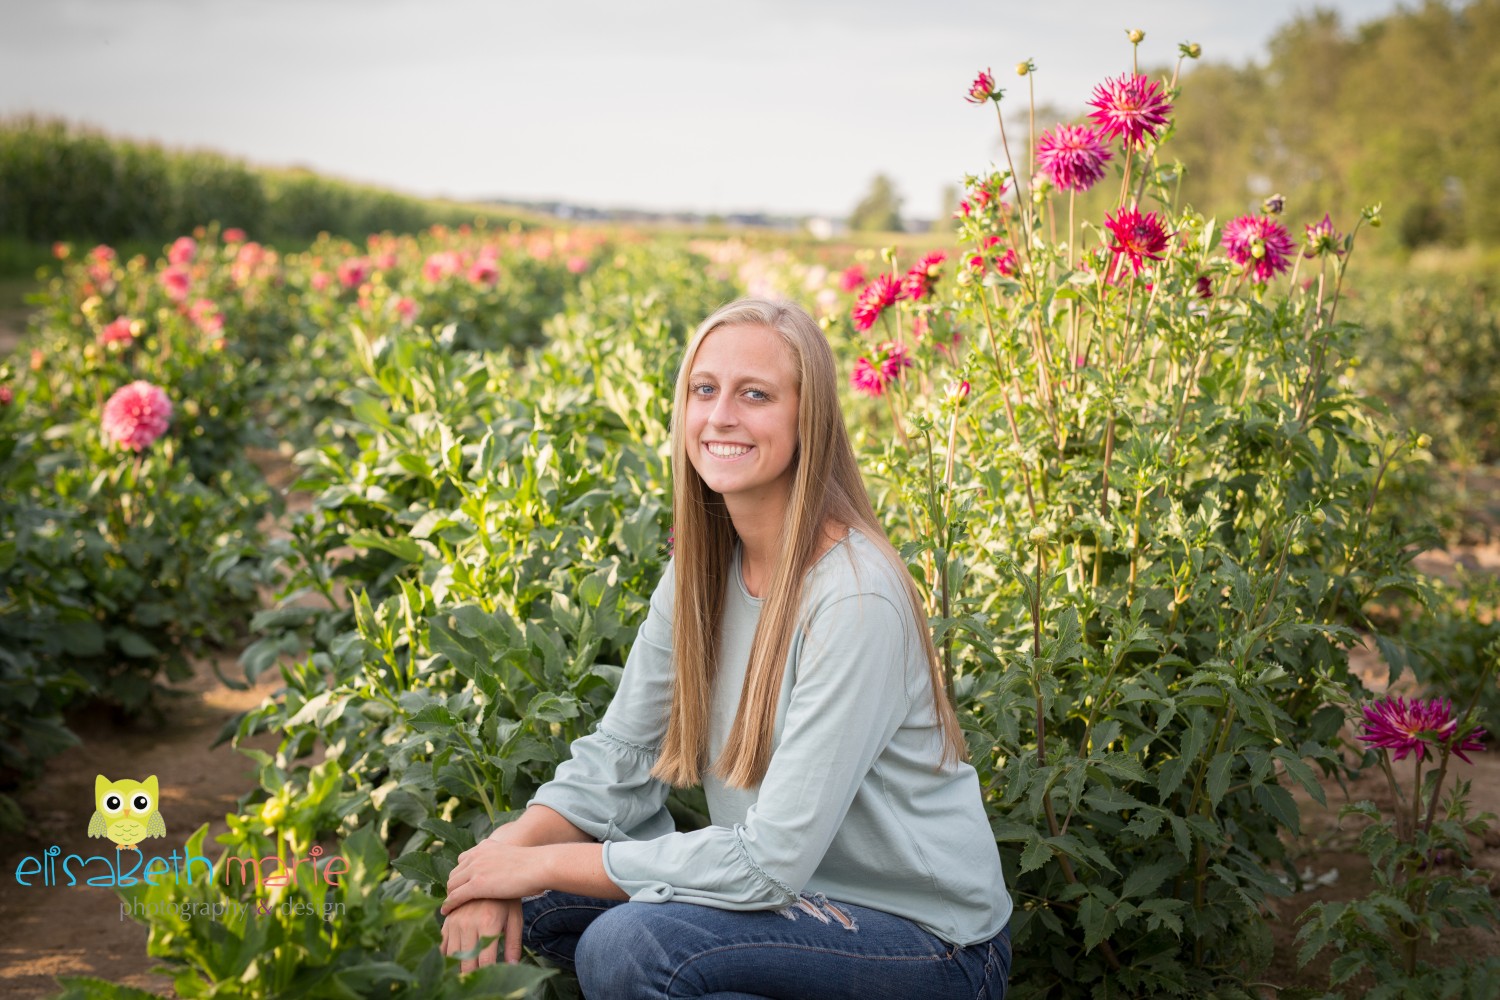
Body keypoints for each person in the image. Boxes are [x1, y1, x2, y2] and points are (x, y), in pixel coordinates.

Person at [439, 298, 1012, 998]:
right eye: (704, 390)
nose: (720, 417)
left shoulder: (854, 598)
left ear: (810, 420)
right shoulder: (701, 572)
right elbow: (620, 758)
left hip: (927, 943)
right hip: (781, 906)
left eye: (756, 395)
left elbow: (769, 862)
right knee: (526, 905)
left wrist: (545, 863)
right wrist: (500, 859)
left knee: (635, 946)